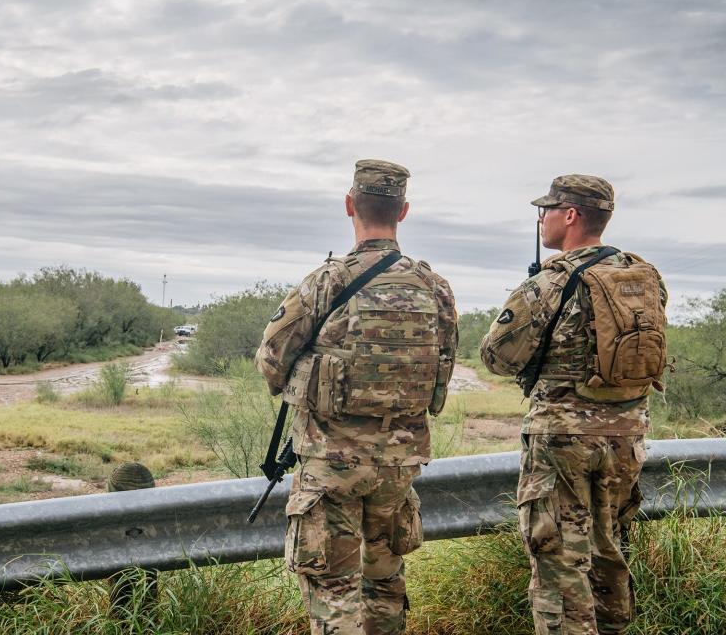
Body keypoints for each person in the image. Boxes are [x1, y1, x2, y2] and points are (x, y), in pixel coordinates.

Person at [255, 159, 457, 634]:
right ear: (403, 211)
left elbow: (270, 360)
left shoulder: (327, 281)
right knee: (384, 582)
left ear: (350, 205)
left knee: (333, 590)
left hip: (332, 466)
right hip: (398, 463)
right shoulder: (436, 288)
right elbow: (443, 367)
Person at [480, 175, 668, 635]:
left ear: (570, 216)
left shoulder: (549, 283)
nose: (541, 218)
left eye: (547, 209)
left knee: (559, 562)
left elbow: (496, 358)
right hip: (627, 437)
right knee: (609, 552)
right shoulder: (645, 277)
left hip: (563, 442)